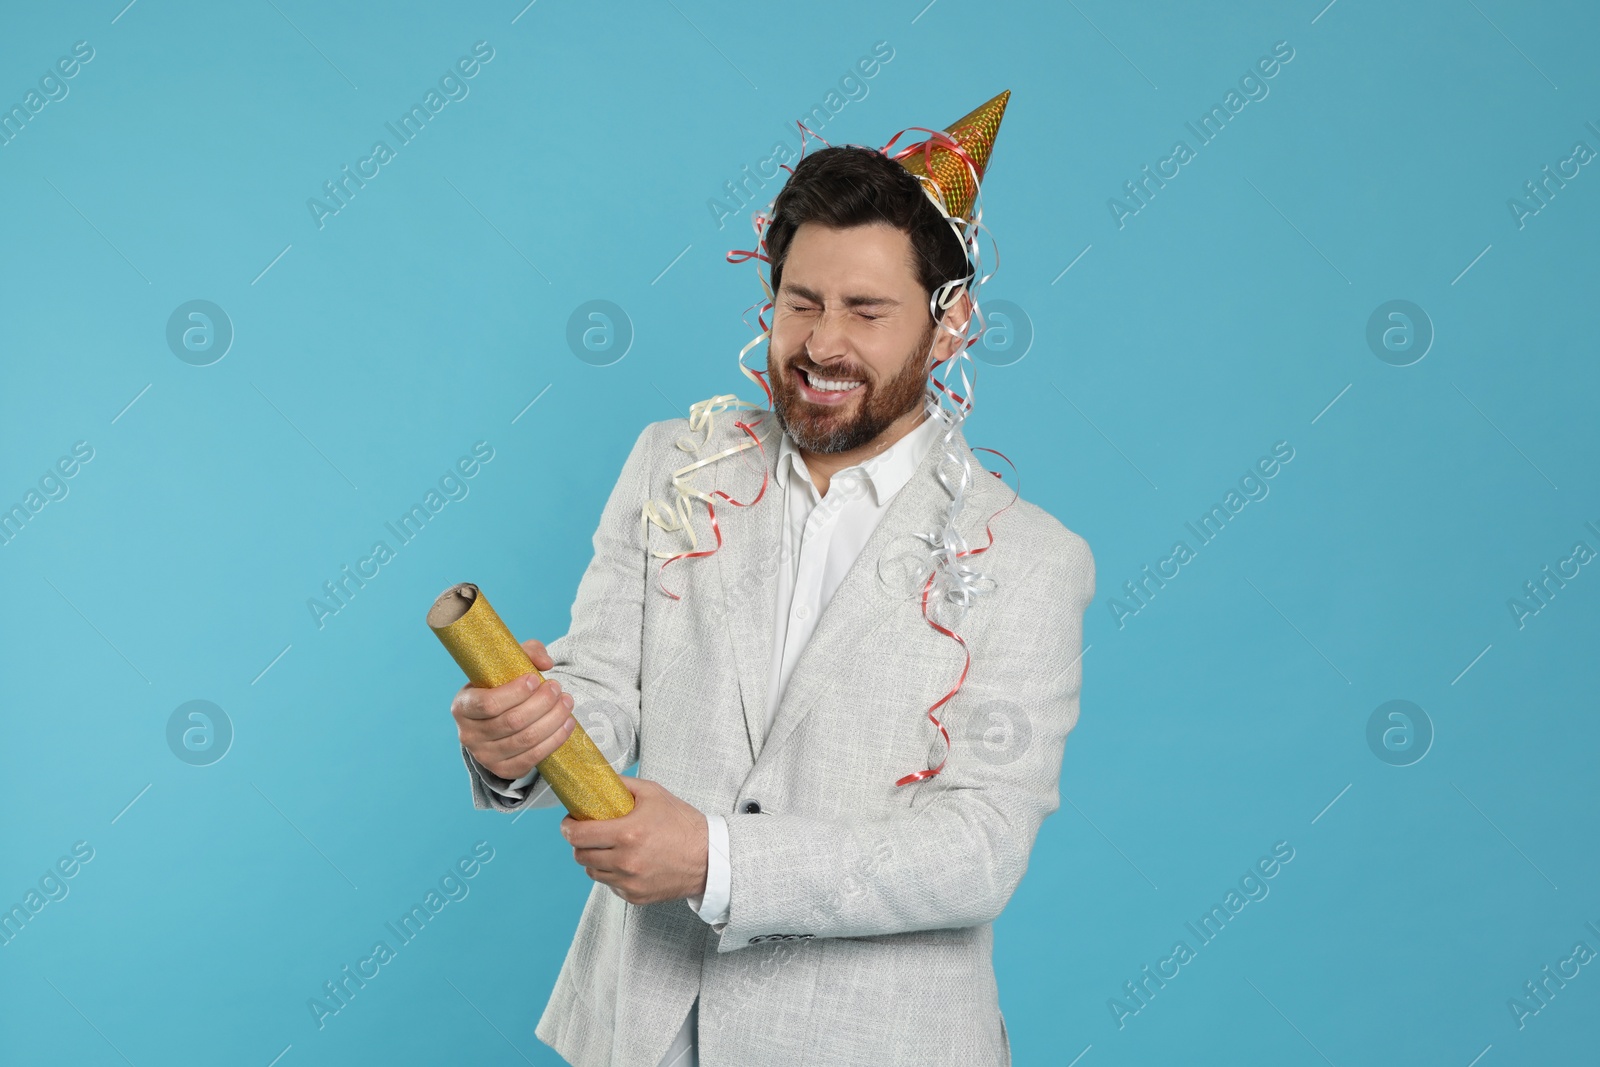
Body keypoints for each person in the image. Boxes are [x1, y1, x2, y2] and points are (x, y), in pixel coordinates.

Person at [448, 93, 1095, 1066]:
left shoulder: (1028, 558)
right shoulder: (675, 464)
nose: (824, 343)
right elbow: (601, 693)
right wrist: (521, 742)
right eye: (802, 301)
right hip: (643, 1031)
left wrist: (715, 859)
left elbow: (977, 846)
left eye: (867, 310)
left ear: (952, 322)